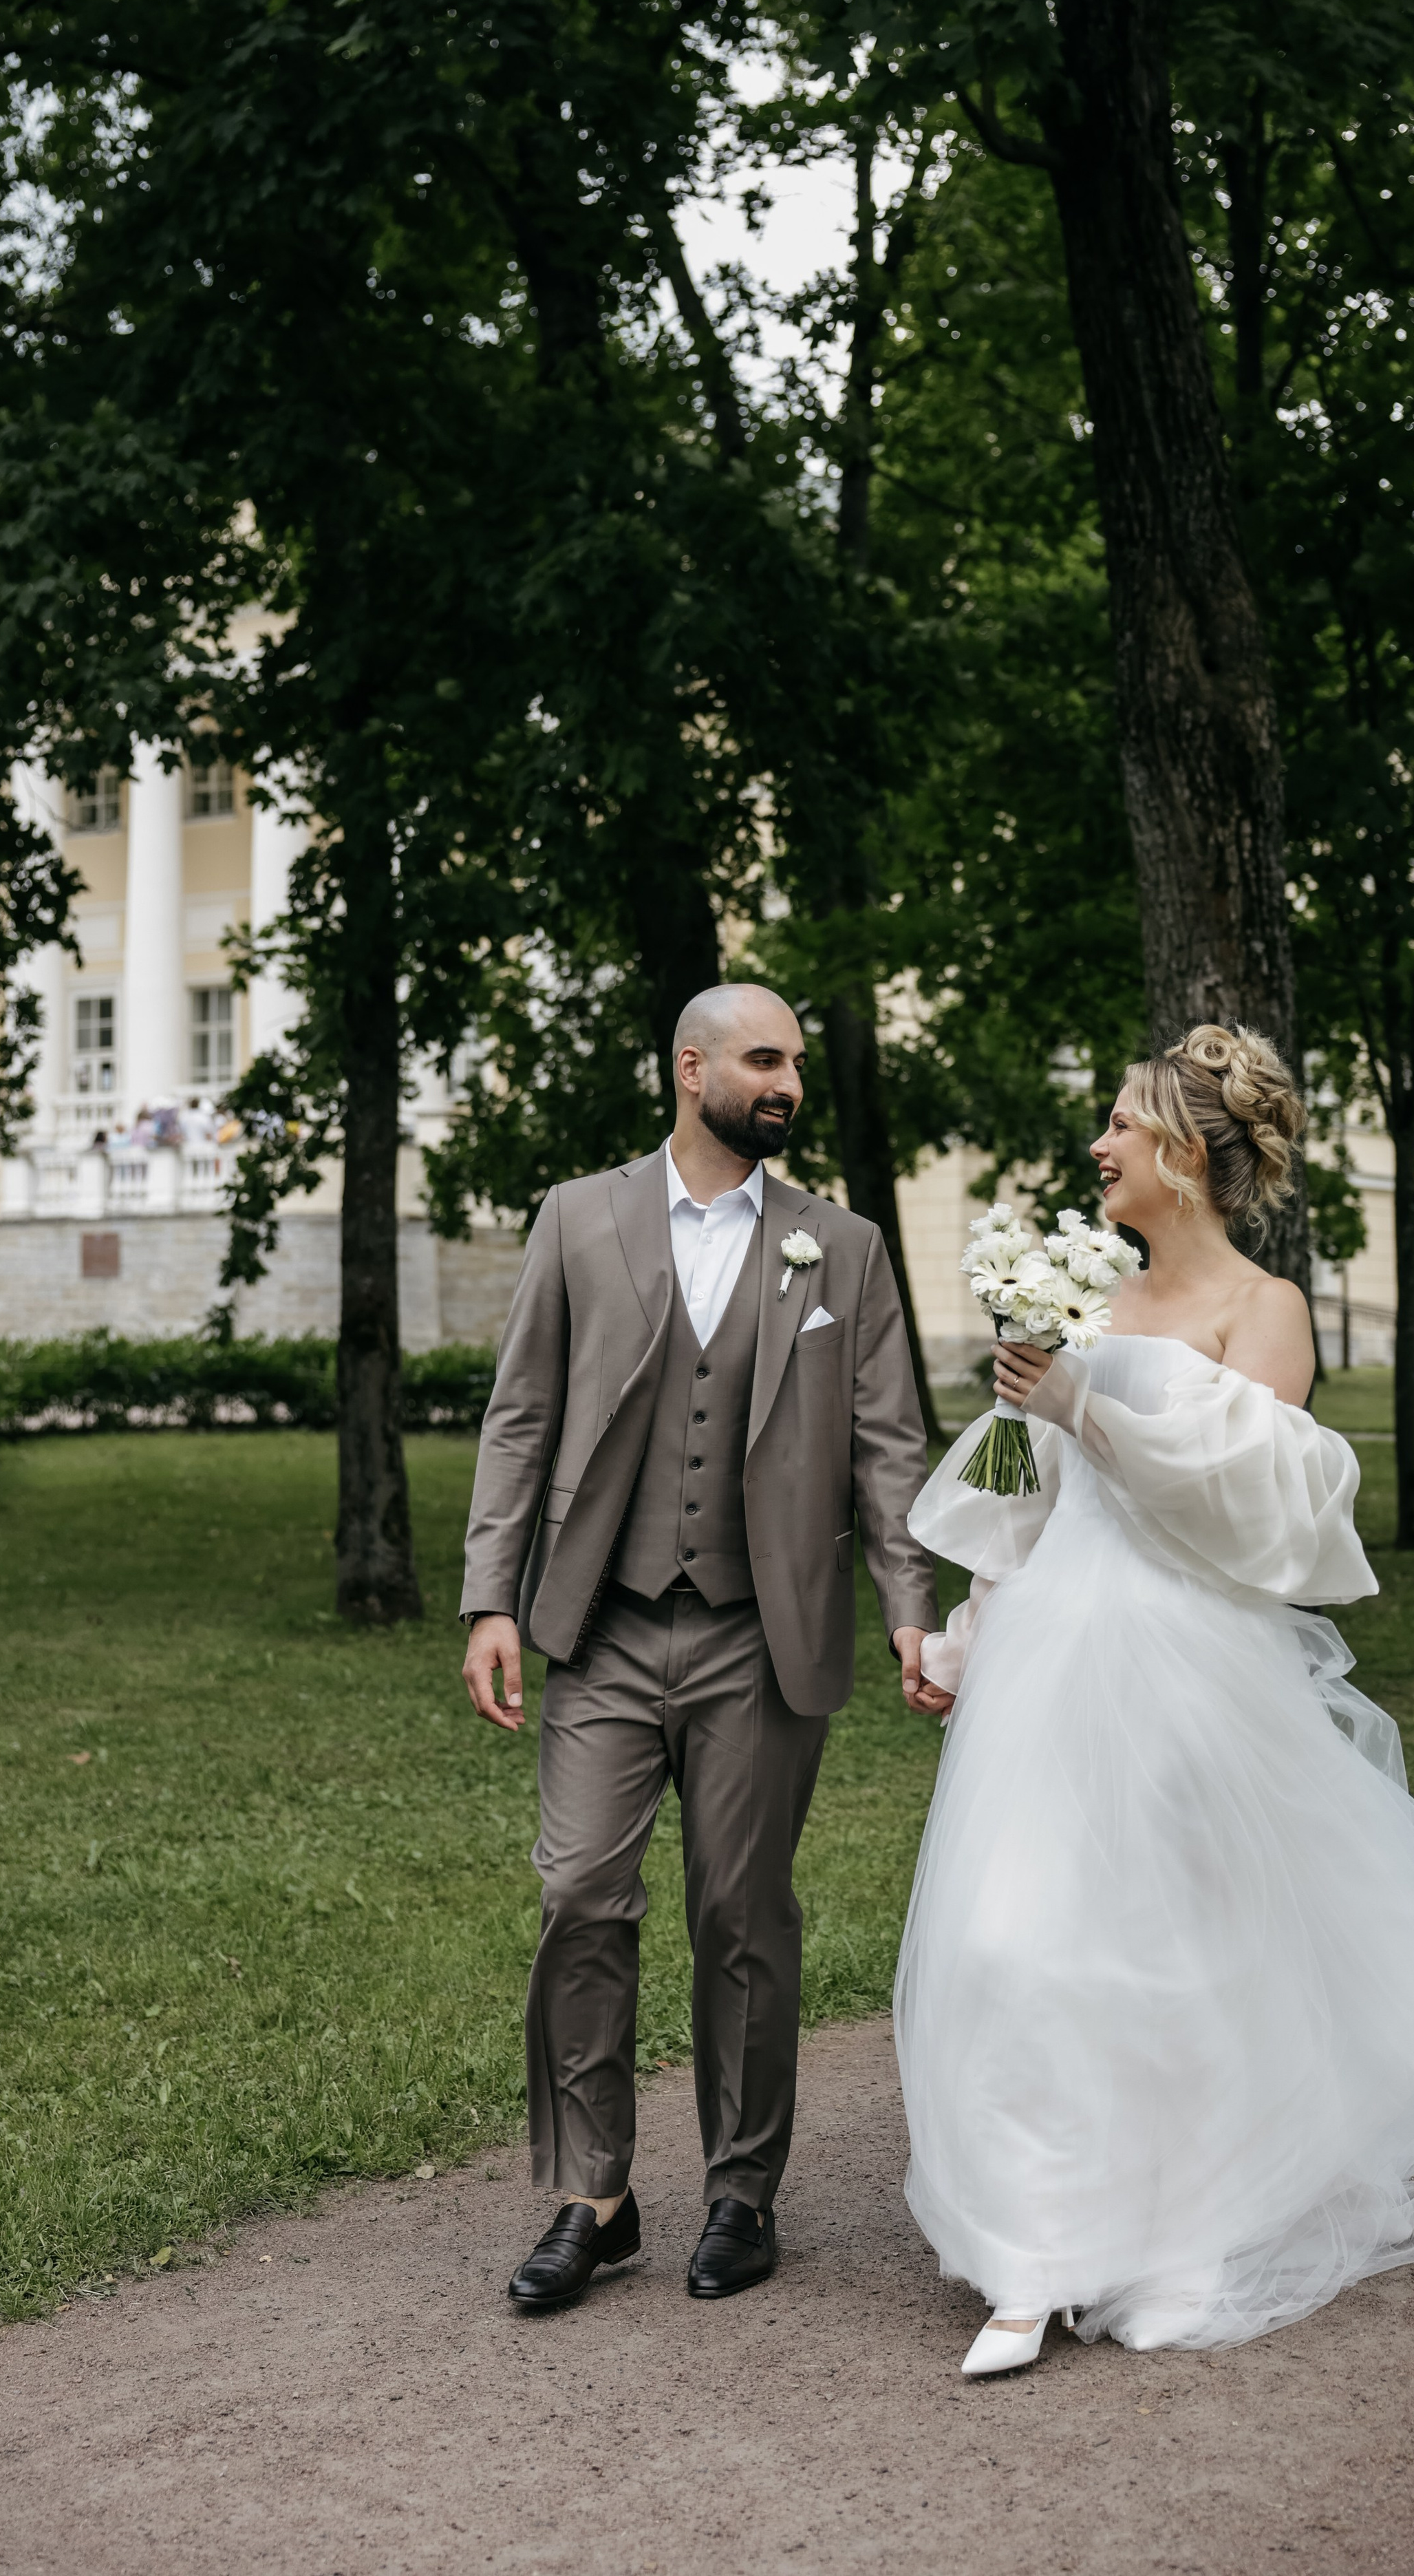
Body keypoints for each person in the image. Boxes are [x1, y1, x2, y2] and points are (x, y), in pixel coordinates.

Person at [896, 1023, 1414, 2376]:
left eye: (1118, 1127)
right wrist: (957, 1640)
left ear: (1180, 1155)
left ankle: (1176, 2235)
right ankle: (1032, 2251)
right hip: (1052, 1657)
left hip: (1186, 1664)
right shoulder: (1085, 1301)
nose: (1096, 1148)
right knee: (1010, 1940)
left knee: (1165, 1950)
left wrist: (1085, 1404)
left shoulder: (1266, 1310)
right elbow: (1030, 1505)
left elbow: (1249, 1511)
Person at [460, 983, 936, 2312]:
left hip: (758, 1633)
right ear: (691, 1067)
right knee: (579, 1900)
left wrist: (911, 1603)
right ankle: (593, 2198)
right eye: (763, 1060)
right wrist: (490, 1598)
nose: (786, 1082)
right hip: (601, 1623)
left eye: (794, 1062)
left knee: (742, 1917)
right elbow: (520, 1417)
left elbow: (887, 1443)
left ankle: (742, 2191)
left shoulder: (840, 1246)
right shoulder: (580, 1216)